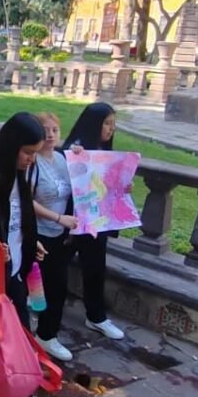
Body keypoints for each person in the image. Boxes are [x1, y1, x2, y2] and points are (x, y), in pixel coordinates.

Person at [0, 112, 59, 397]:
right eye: (27, 152)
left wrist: (31, 244)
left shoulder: (21, 177)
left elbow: (19, 221)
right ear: (11, 146)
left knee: (23, 351)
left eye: (35, 152)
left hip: (14, 278)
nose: (32, 159)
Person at [63, 102, 125, 341]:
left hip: (96, 221)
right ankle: (39, 303)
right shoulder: (75, 149)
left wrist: (122, 185)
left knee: (96, 269)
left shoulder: (105, 152)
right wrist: (73, 156)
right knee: (55, 264)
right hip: (70, 221)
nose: (111, 129)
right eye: (106, 123)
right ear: (93, 124)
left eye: (113, 124)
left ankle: (96, 316)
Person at [29, 112, 78, 362]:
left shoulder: (62, 159)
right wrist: (58, 218)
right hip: (38, 234)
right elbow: (25, 200)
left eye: (55, 130)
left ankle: (46, 334)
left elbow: (83, 184)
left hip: (60, 235)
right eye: (45, 130)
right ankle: (39, 335)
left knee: (56, 287)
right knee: (42, 288)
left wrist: (82, 159)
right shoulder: (32, 161)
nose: (50, 135)